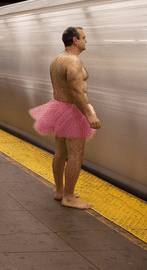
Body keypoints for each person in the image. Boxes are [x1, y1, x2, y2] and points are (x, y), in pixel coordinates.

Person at [29, 27, 101, 209]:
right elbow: (76, 91)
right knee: (76, 154)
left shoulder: (57, 59)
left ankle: (60, 190)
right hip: (73, 111)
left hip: (58, 107)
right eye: (84, 37)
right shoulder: (74, 62)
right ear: (75, 41)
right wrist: (89, 115)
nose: (86, 41)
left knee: (61, 152)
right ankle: (69, 197)